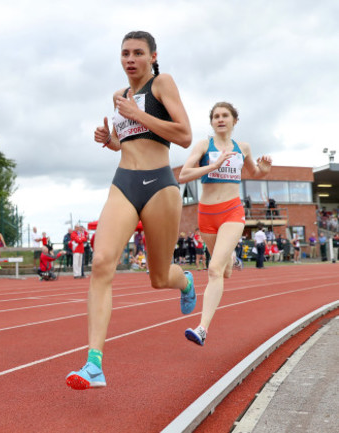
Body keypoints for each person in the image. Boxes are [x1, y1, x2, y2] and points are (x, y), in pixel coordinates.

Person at [66, 31, 196, 390]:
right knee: (102, 262)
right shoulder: (118, 96)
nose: (131, 59)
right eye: (125, 53)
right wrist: (110, 141)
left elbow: (184, 135)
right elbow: (129, 142)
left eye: (138, 53)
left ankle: (184, 280)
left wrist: (138, 113)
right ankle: (94, 364)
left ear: (153, 56)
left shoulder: (161, 84)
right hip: (123, 182)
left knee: (158, 278)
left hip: (160, 185)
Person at [179, 101, 271, 346]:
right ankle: (232, 258)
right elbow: (183, 175)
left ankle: (202, 329)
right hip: (206, 214)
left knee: (213, 270)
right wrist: (213, 165)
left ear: (234, 121)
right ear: (212, 122)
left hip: (232, 210)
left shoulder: (243, 147)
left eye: (225, 115)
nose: (220, 119)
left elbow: (254, 172)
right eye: (216, 116)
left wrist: (263, 169)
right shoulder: (203, 145)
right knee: (226, 270)